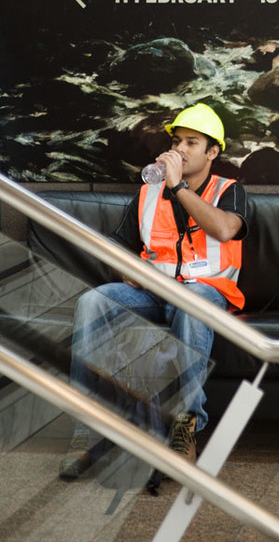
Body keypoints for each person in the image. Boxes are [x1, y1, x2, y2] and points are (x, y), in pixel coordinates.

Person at [59, 102, 248, 480]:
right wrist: (129, 271)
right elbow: (115, 248)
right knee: (94, 302)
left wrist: (178, 187)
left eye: (192, 143)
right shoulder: (147, 193)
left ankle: (183, 431)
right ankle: (86, 432)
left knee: (193, 304)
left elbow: (226, 230)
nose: (179, 149)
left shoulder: (230, 191)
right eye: (177, 141)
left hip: (205, 295)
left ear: (213, 152)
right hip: (153, 295)